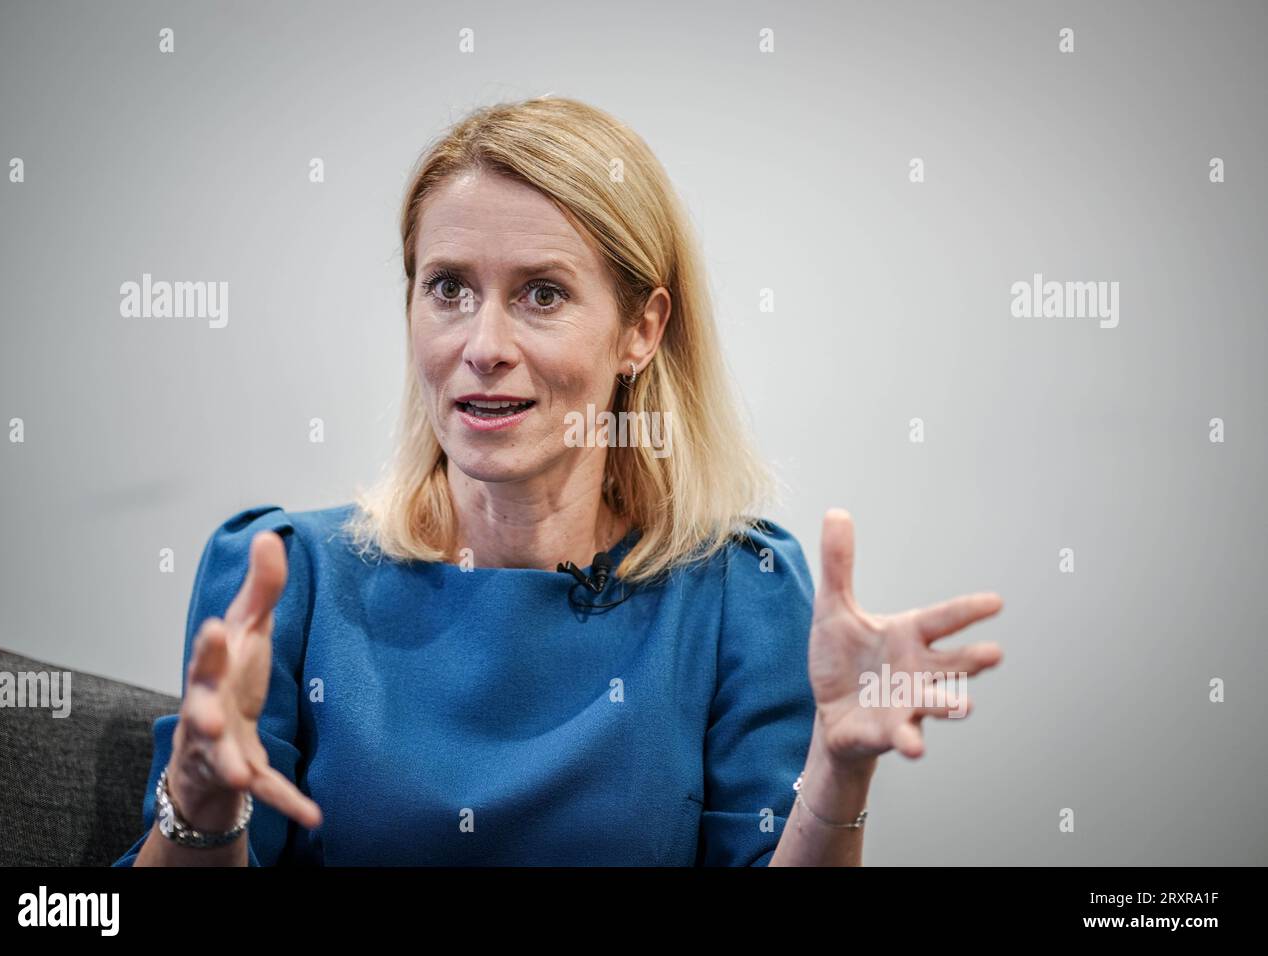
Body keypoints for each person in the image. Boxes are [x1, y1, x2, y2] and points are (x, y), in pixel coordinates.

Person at [114, 96, 1003, 867]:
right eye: (449, 288)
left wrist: (839, 770)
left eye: (542, 293)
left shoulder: (740, 591)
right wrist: (196, 805)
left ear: (640, 331)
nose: (484, 346)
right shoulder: (285, 576)